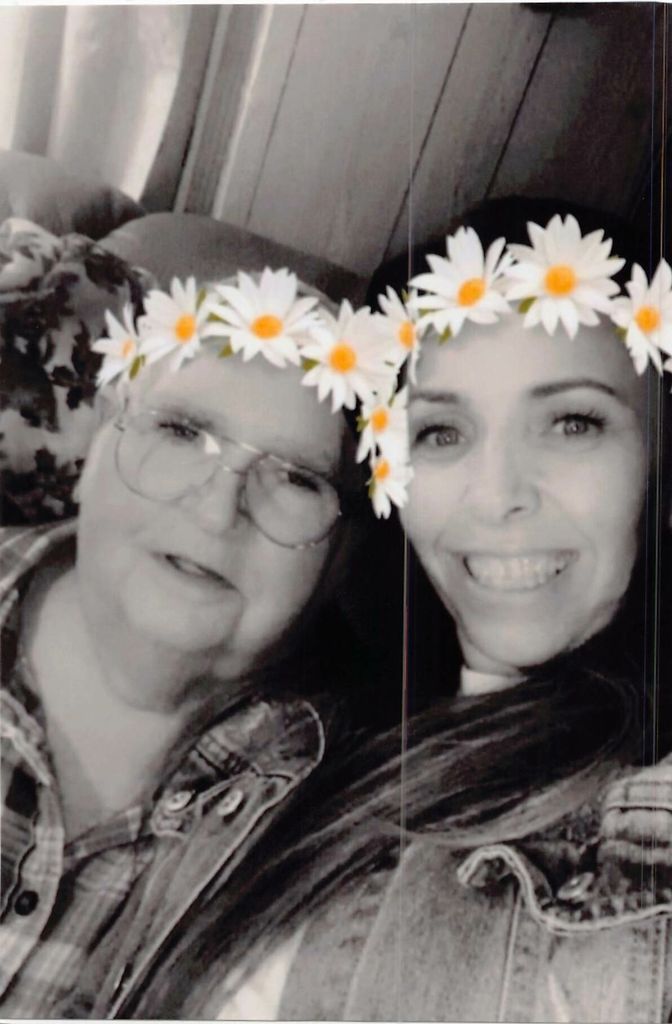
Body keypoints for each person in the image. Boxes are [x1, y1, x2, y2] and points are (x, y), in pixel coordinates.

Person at [117, 198, 672, 1022]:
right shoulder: (289, 725)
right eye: (441, 433)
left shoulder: (639, 833)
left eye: (572, 423)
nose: (496, 497)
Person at [0, 261, 411, 1017]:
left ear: (339, 559)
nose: (219, 509)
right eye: (182, 430)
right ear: (97, 442)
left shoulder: (351, 822)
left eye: (297, 479)